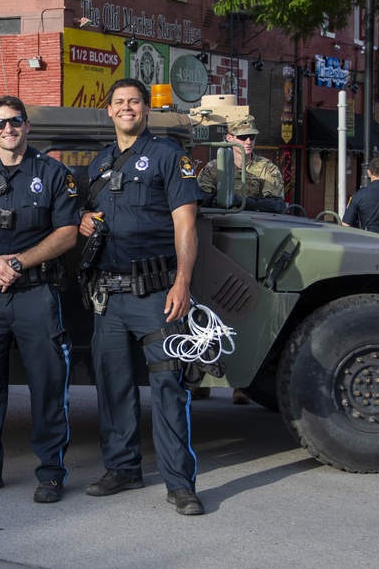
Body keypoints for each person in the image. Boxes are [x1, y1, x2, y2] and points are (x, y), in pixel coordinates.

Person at [80, 77, 207, 516]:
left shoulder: (169, 157)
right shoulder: (98, 164)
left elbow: (185, 225)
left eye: (134, 101)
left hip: (158, 293)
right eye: (119, 102)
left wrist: (183, 283)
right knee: (113, 387)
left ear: (145, 111)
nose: (127, 108)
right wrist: (83, 221)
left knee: (168, 386)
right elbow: (89, 213)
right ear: (109, 110)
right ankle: (122, 468)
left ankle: (180, 484)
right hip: (109, 297)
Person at [0, 95, 79, 504]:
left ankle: (51, 473)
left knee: (47, 385)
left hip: (36, 294)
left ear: (27, 126)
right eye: (0, 123)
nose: (8, 129)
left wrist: (17, 264)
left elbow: (67, 234)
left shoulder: (53, 173)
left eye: (15, 121)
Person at [196, 103, 285, 404]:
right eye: (243, 136)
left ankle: (241, 385)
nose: (249, 142)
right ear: (230, 137)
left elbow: (276, 204)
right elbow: (201, 198)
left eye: (253, 137)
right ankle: (199, 378)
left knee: (248, 314)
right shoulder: (213, 168)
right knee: (205, 311)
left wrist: (239, 203)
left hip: (254, 243)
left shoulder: (266, 169)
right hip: (217, 242)